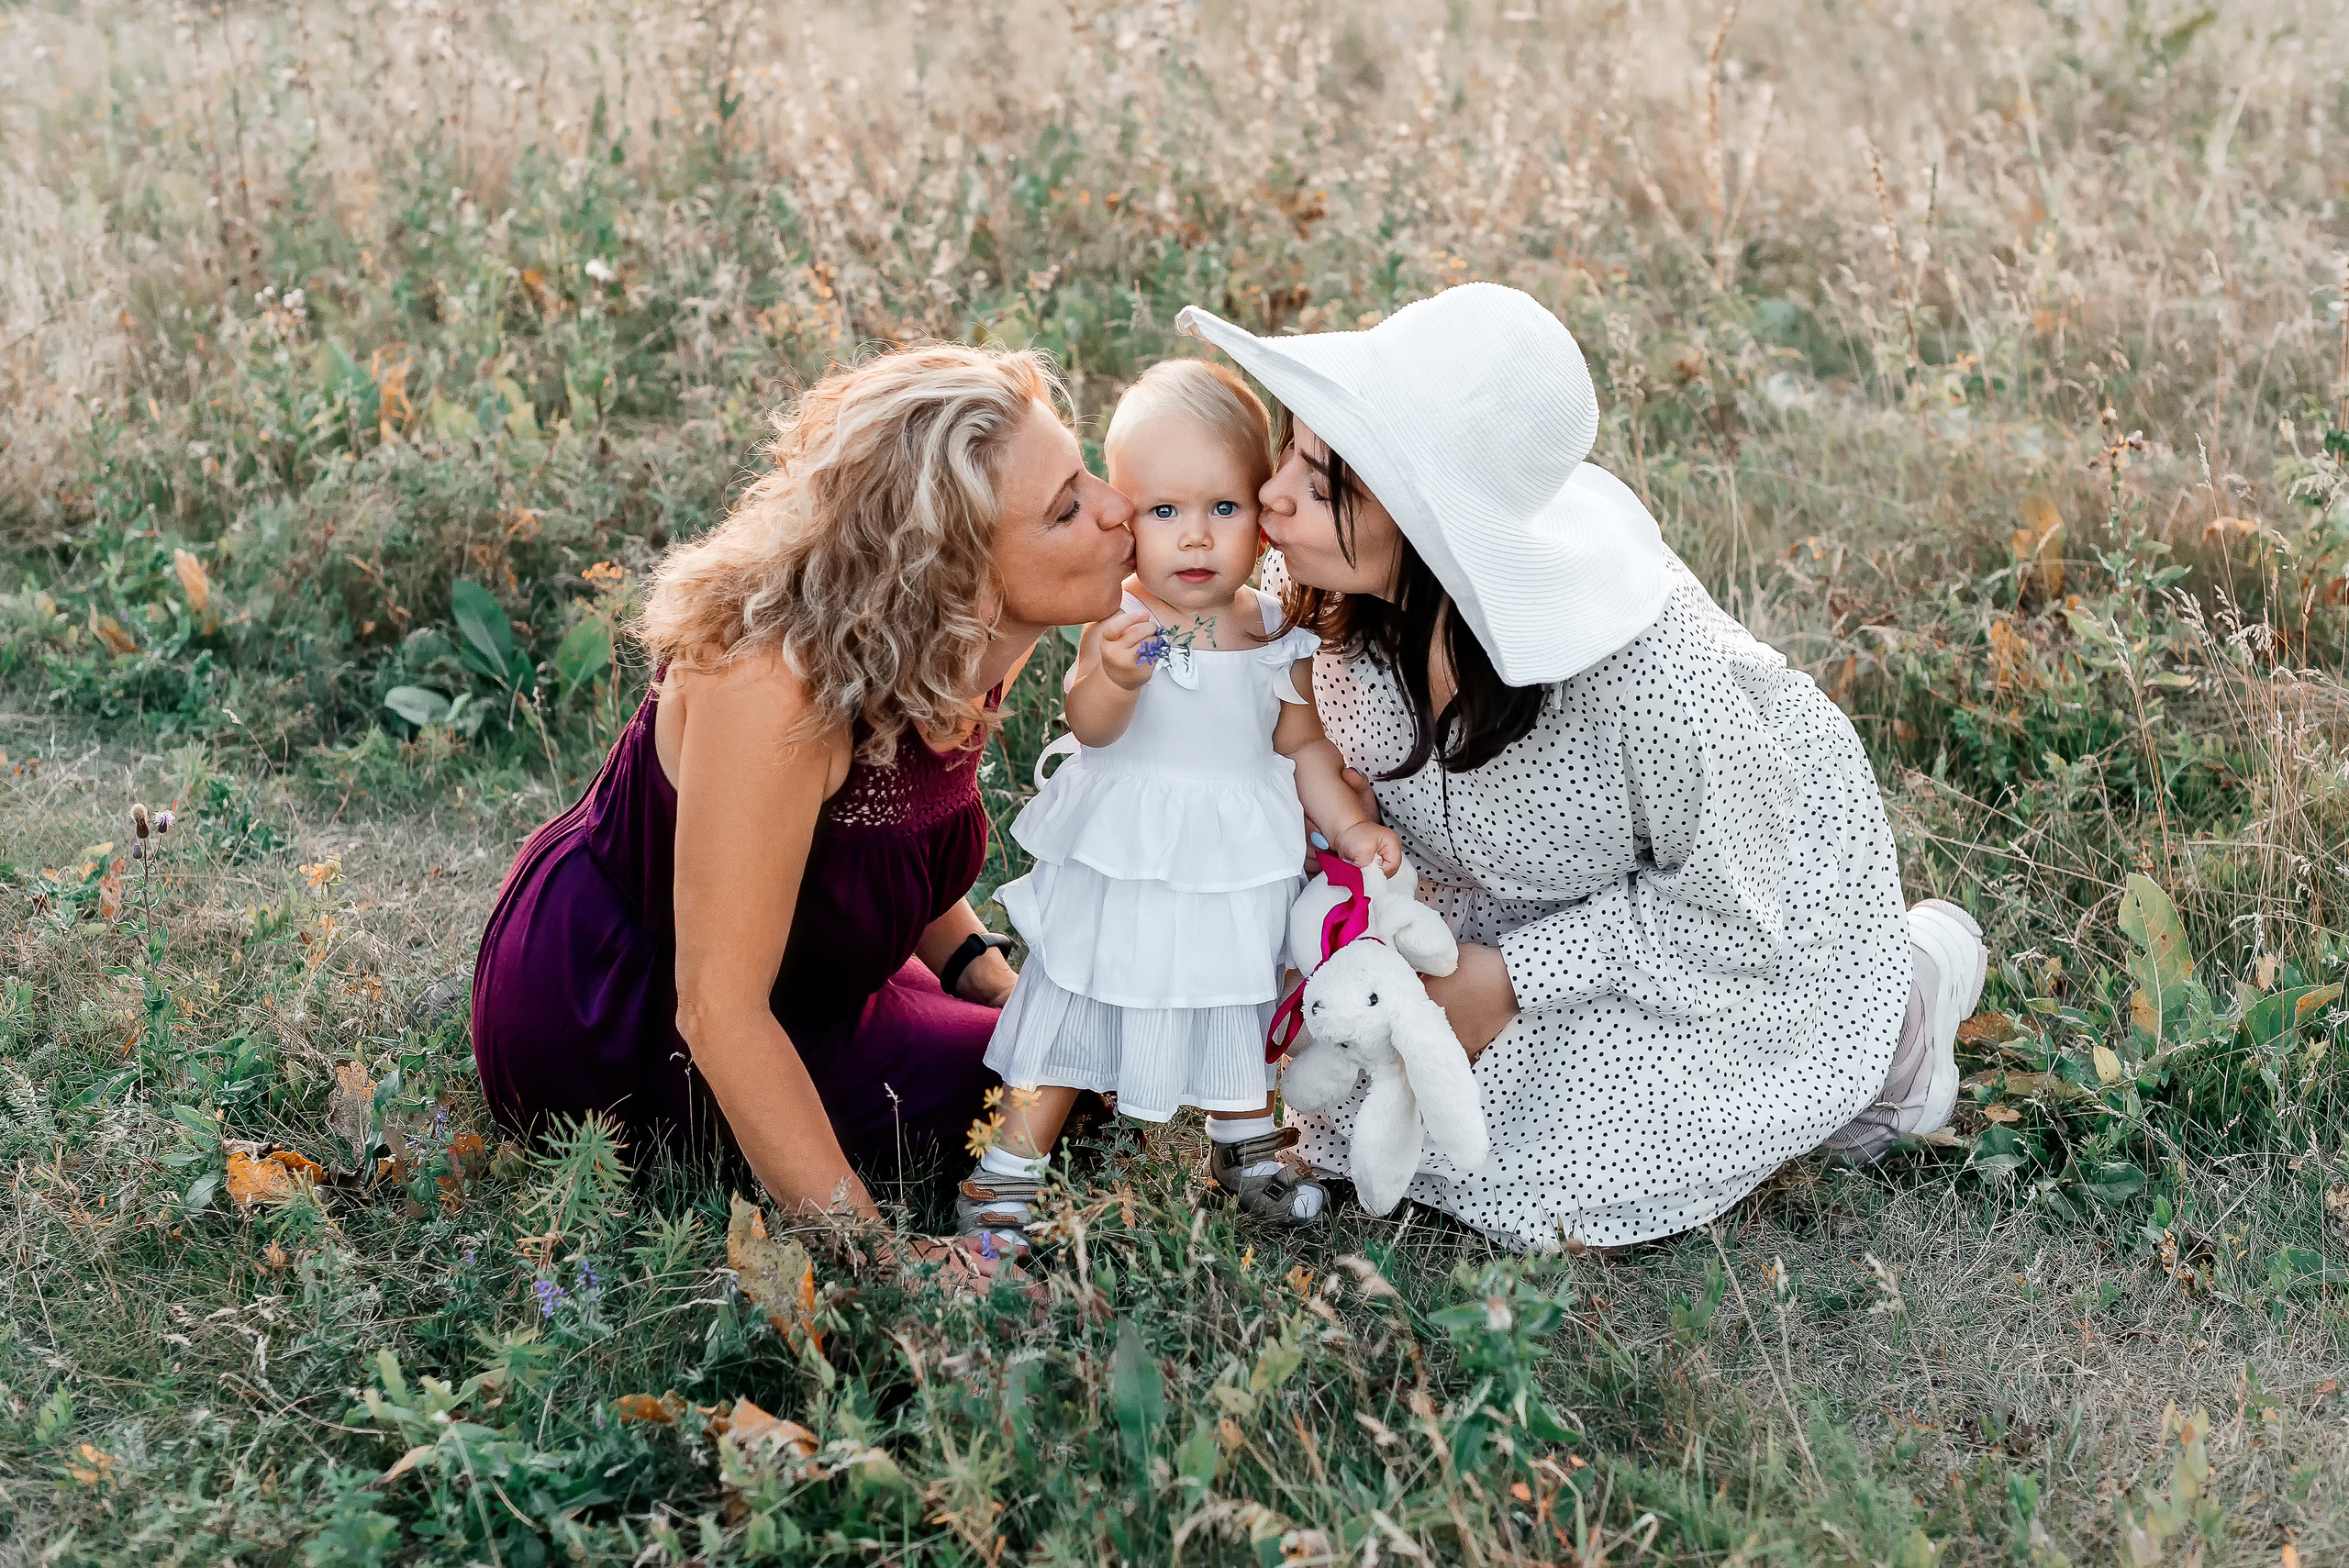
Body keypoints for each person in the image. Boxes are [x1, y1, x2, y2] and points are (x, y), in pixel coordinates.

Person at [1175, 284, 1987, 1251]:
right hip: (1482, 902)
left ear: (1426, 525)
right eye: (1292, 450)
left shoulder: (1640, 678)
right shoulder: (1325, 596)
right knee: (1362, 1123)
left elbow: (1730, 898)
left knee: (1552, 1180)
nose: (1271, 496)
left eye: (1321, 481)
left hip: (1738, 909)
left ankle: (1899, 1005)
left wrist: (1509, 977)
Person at [470, 342, 1137, 1279]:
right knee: (1056, 1080)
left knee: (1068, 1055)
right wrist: (894, 1268)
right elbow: (718, 1011)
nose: (1118, 509)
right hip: (630, 1012)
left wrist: (983, 972)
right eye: (1068, 507)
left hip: (812, 968)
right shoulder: (772, 687)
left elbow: (899, 835)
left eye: (1089, 475)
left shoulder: (971, 642)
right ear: (952, 574)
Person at [953, 361, 1401, 1248]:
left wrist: (1349, 827)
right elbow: (1091, 723)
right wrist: (1116, 677)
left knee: (1233, 991)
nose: (1194, 539)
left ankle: (1245, 1144)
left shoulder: (1273, 629)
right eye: (1163, 512)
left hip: (1231, 859)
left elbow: (1300, 743)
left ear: (1259, 513)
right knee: (1075, 996)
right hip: (1128, 853)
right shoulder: (1117, 615)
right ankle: (1007, 1171)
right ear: (1125, 514)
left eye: (1222, 509)